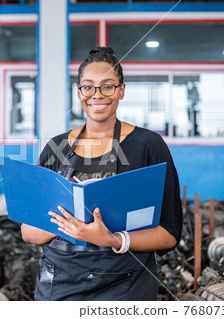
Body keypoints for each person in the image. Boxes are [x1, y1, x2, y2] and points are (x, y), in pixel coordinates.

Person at [21, 47, 183, 301]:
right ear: (79, 92)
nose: (97, 95)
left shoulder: (148, 146)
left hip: (124, 289)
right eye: (88, 86)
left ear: (121, 90)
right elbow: (29, 232)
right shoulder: (56, 147)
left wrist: (112, 239)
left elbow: (168, 233)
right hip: (59, 288)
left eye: (107, 86)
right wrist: (72, 225)